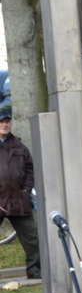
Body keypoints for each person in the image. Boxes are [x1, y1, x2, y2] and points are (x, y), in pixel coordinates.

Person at [0, 109, 40, 280]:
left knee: (32, 239)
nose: (5, 124)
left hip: (19, 200)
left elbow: (30, 169)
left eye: (8, 121)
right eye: (2, 122)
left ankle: (34, 271)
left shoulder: (20, 146)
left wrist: (26, 190)